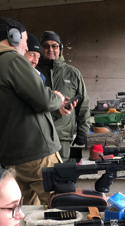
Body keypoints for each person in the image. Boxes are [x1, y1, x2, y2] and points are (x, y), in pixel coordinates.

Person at [0, 18, 76, 205]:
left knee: (24, 211)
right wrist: (56, 97)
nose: (25, 47)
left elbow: (18, 110)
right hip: (38, 153)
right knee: (61, 205)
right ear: (13, 37)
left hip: (12, 155)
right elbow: (44, 100)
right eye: (24, 41)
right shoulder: (13, 60)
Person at [37, 30, 91, 161]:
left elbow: (83, 105)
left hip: (63, 137)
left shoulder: (73, 73)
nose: (50, 49)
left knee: (60, 176)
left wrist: (83, 133)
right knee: (40, 177)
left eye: (54, 46)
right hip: (38, 136)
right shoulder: (33, 71)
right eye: (46, 46)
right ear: (40, 48)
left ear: (60, 48)